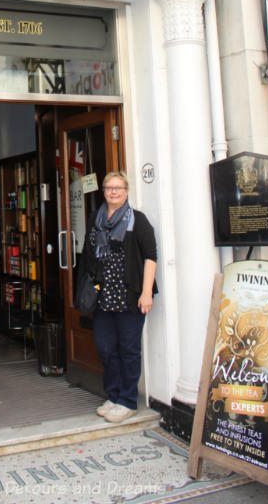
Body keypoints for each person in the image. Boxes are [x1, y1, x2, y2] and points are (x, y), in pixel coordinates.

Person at [76, 170, 158, 423]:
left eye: (118, 188)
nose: (114, 192)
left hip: (129, 297)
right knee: (105, 348)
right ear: (103, 191)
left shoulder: (138, 221)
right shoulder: (96, 218)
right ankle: (113, 395)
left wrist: (146, 293)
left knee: (129, 350)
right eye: (109, 188)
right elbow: (89, 254)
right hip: (103, 297)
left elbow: (150, 257)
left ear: (126, 191)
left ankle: (127, 400)